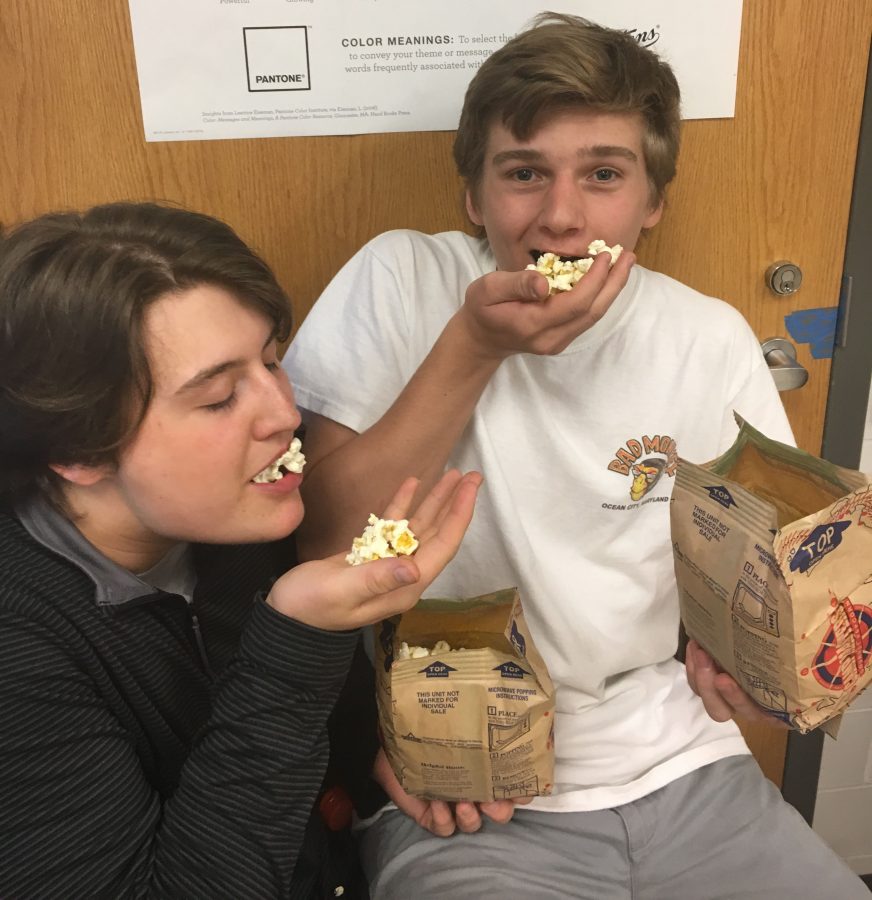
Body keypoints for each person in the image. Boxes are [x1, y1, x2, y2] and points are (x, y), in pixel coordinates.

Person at [281, 13, 867, 899]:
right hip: (464, 775)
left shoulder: (702, 336)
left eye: (603, 174)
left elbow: (755, 553)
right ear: (475, 198)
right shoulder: (402, 282)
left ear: (652, 201)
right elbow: (323, 545)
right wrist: (473, 348)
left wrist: (738, 649)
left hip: (682, 758)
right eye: (524, 174)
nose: (560, 216)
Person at [0, 201, 482, 899]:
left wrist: (373, 756)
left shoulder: (240, 525)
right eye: (223, 397)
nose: (286, 416)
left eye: (272, 362)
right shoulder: (21, 649)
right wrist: (296, 641)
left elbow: (307, 733)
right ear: (78, 448)